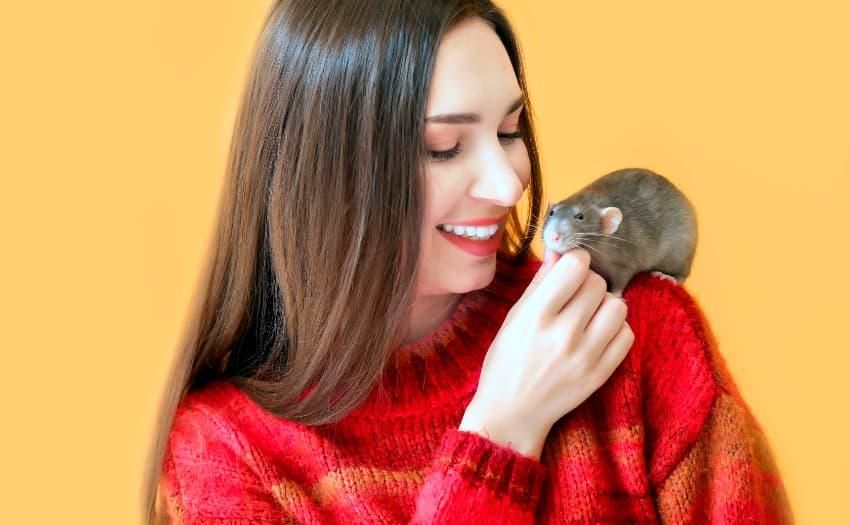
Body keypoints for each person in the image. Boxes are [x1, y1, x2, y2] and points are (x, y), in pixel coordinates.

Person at [142, 1, 794, 523]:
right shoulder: (226, 457)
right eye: (445, 146)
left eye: (510, 132)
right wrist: (498, 439)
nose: (510, 187)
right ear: (325, 177)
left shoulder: (629, 331)